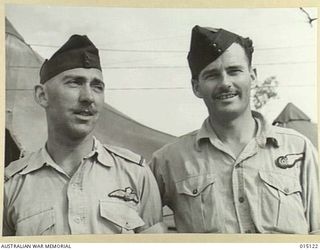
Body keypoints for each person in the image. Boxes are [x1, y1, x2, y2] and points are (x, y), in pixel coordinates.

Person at [150, 25, 320, 234]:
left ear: (253, 77)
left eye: (234, 71)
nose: (225, 83)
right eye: (212, 75)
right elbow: (143, 229)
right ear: (196, 87)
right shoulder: (169, 161)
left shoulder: (298, 149)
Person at [3, 35, 165, 236]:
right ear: (42, 95)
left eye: (97, 86)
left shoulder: (136, 174)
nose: (88, 97)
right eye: (75, 83)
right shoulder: (11, 185)